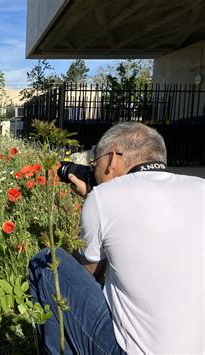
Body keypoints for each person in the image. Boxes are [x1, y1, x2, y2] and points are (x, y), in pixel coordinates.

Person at [29, 122, 203, 354]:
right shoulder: (199, 187)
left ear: (111, 159)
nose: (94, 173)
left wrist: (92, 200)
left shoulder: (104, 196)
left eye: (94, 164)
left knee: (49, 263)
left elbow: (88, 273)